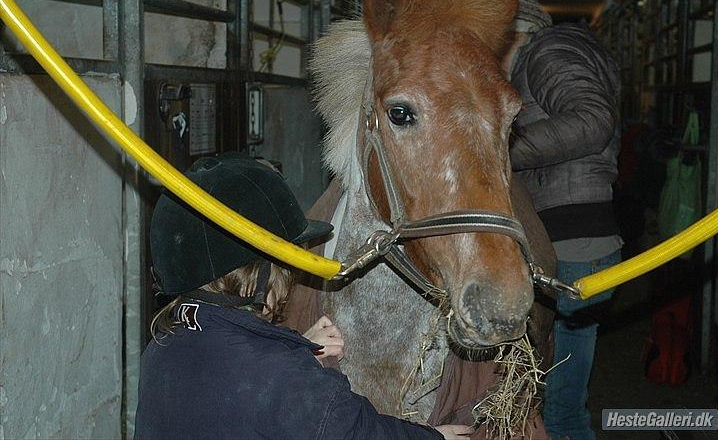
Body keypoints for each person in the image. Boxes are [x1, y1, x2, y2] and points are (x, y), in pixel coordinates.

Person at [134, 152, 472, 439]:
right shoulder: (284, 379)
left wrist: (296, 350)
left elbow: (236, 383)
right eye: (285, 267)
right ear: (259, 275)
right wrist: (436, 437)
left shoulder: (162, 349)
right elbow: (358, 431)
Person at [506, 0, 622, 440]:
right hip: (578, 238)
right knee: (557, 400)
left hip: (573, 239)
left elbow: (593, 120)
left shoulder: (548, 52)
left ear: (513, 34)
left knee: (559, 409)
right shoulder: (558, 53)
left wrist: (498, 151)